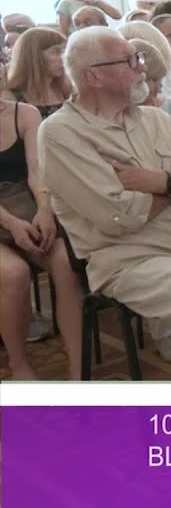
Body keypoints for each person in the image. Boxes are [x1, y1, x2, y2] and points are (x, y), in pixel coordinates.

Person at [39, 26, 171, 379]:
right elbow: (119, 215)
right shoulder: (61, 132)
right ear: (93, 76)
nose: (141, 67)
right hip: (131, 259)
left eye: (139, 57)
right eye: (129, 60)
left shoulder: (155, 118)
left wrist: (159, 181)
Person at [0, 56, 83, 379]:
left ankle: (78, 367)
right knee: (14, 273)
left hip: (26, 203)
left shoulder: (24, 113)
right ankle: (19, 363)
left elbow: (37, 172)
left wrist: (45, 210)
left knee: (66, 263)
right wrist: (12, 224)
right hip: (7, 217)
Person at [5, 28, 70, 119]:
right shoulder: (9, 98)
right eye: (56, 52)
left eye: (65, 51)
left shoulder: (67, 91)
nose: (64, 57)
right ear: (33, 56)